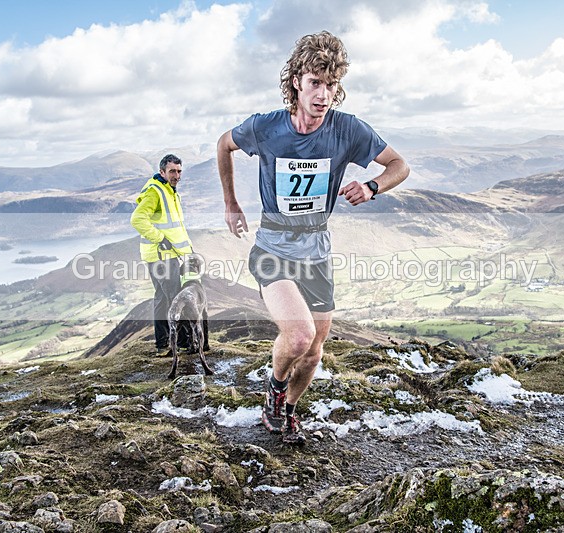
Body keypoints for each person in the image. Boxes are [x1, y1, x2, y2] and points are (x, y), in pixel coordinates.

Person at [216, 31, 409, 444]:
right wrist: (231, 202)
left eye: (332, 84)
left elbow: (398, 165)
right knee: (299, 335)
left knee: (316, 349)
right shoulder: (265, 127)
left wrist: (373, 186)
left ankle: (287, 409)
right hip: (272, 248)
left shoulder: (347, 130)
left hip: (317, 252)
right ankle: (273, 389)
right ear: (296, 83)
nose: (324, 94)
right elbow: (223, 145)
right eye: (316, 82)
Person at [131, 154, 193, 355]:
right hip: (162, 256)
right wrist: (160, 238)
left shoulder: (171, 192)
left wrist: (188, 250)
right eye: (172, 171)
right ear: (162, 172)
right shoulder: (155, 192)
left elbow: (177, 228)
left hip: (167, 255)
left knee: (163, 299)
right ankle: (182, 344)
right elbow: (137, 219)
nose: (176, 175)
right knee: (175, 299)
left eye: (179, 171)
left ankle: (163, 345)